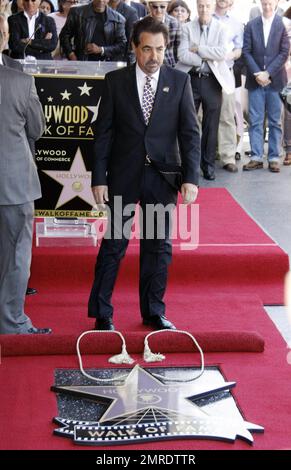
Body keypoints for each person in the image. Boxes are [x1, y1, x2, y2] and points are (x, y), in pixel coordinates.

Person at [88, 16, 200, 331]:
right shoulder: (116, 81)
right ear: (135, 48)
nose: (154, 57)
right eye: (147, 49)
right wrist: (99, 177)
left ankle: (153, 311)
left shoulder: (179, 82)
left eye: (160, 50)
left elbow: (190, 134)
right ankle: (102, 312)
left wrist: (190, 177)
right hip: (124, 176)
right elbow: (104, 135)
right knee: (114, 244)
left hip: (162, 178)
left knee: (157, 246)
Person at [0, 25, 51, 334]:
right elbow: (37, 129)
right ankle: (12, 323)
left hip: (14, 183)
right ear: (4, 37)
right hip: (14, 183)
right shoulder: (20, 82)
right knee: (16, 256)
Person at [176, 0, 234, 181]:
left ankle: (208, 165)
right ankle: (188, 166)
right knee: (188, 125)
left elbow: (223, 53)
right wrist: (204, 59)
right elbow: (182, 54)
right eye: (201, 6)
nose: (204, 9)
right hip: (191, 79)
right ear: (197, 6)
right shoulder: (187, 28)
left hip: (213, 82)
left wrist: (199, 49)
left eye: (207, 6)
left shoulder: (221, 28)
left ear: (212, 7)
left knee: (211, 126)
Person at [243, 0, 289, 173]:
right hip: (256, 81)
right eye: (264, 3)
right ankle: (255, 157)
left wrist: (267, 73)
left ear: (276, 3)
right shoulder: (251, 25)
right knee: (255, 120)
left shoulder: (282, 24)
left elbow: (284, 52)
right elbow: (246, 51)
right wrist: (258, 73)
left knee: (276, 121)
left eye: (270, 3)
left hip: (275, 81)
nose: (267, 7)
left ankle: (274, 157)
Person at [60, 0, 127, 61]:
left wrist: (101, 50)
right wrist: (71, 55)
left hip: (106, 63)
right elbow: (64, 35)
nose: (100, 1)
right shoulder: (77, 13)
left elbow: (122, 45)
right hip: (81, 61)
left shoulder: (118, 19)